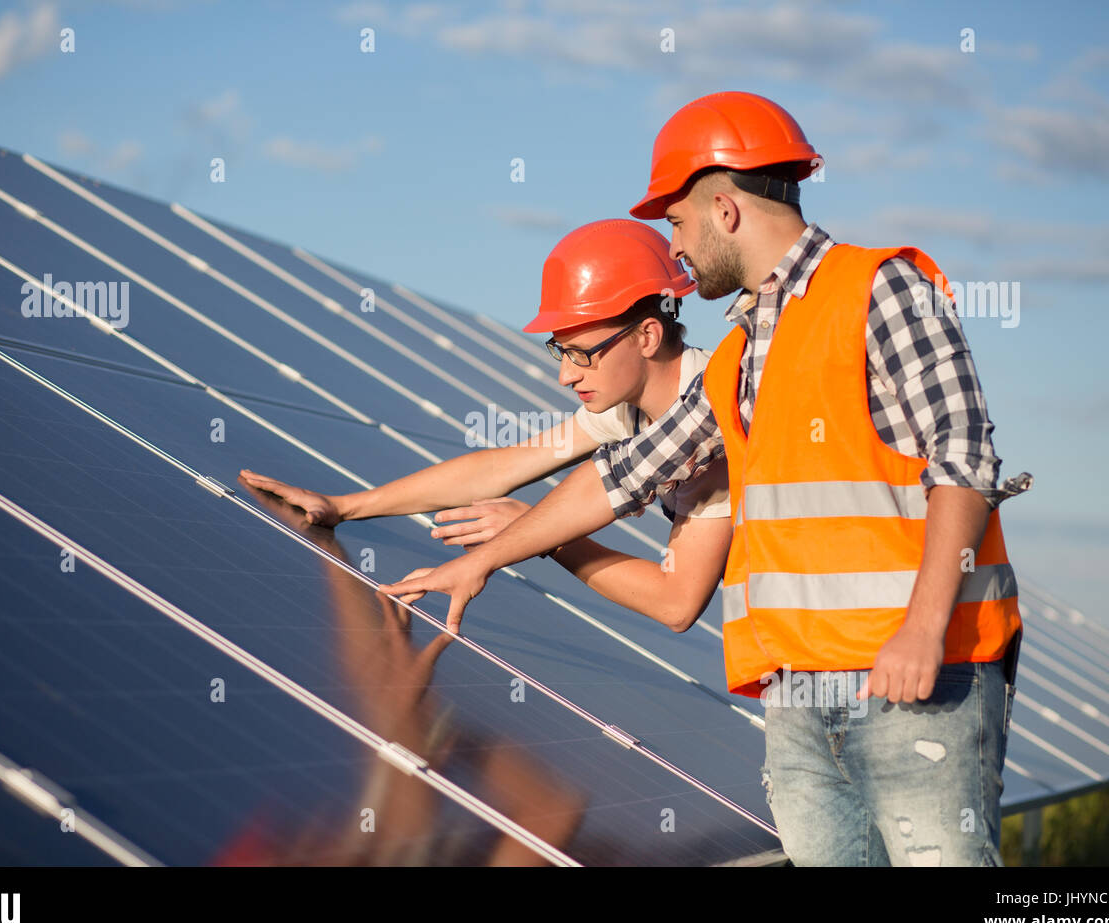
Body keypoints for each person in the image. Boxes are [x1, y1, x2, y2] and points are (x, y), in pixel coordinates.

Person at [379, 91, 1035, 867]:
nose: (675, 248)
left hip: (917, 680)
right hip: (798, 696)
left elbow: (962, 460)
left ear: (725, 209)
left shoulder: (879, 288)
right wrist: (483, 558)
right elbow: (620, 479)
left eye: (678, 222)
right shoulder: (739, 355)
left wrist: (923, 630)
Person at [242, 218, 732, 633]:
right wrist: (346, 506)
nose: (565, 375)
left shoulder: (715, 429)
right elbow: (503, 469)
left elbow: (676, 603)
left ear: (647, 335)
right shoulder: (625, 409)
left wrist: (545, 536)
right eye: (560, 352)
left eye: (582, 354)